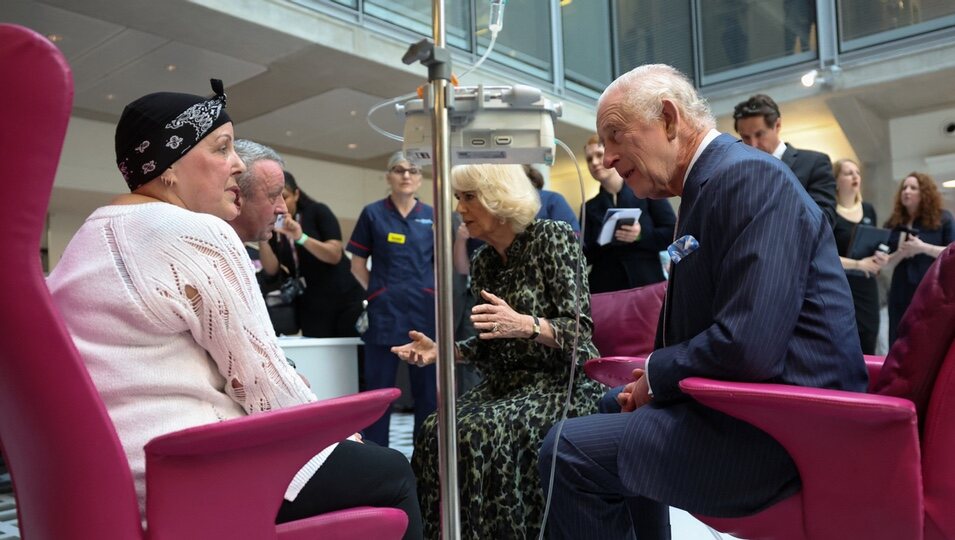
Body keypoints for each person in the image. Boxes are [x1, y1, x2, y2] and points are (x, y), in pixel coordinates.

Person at [45, 82, 422, 538]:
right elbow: (261, 379)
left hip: (107, 481)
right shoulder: (191, 230)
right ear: (169, 165)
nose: (238, 164)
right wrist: (336, 433)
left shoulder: (90, 234)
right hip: (190, 474)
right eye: (222, 148)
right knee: (392, 471)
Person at [538, 64, 867, 540]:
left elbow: (748, 344)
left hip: (787, 431)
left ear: (669, 120)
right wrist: (651, 381)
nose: (607, 158)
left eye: (614, 137)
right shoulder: (709, 185)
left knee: (568, 449)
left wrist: (656, 374)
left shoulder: (750, 178)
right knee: (614, 408)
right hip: (756, 408)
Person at [392, 163, 604, 539]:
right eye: (459, 198)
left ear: (498, 197)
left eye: (469, 197)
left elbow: (581, 332)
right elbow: (490, 346)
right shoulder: (483, 261)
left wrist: (526, 324)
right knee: (434, 429)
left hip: (560, 383)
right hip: (506, 385)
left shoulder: (552, 238)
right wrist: (443, 351)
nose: (459, 208)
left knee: (480, 432)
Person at [347, 151, 437, 447]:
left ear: (421, 179)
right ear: (388, 177)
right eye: (398, 170)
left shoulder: (432, 216)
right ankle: (376, 459)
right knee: (379, 391)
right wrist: (377, 291)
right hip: (384, 313)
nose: (406, 175)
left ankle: (426, 460)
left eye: (412, 170)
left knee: (426, 393)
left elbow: (441, 265)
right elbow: (357, 263)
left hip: (424, 311)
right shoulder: (373, 213)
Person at [260, 170, 365, 338]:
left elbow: (334, 255)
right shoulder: (274, 226)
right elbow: (271, 270)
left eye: (284, 197)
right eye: (272, 199)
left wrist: (300, 238)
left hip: (343, 297)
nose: (281, 205)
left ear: (296, 194)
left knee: (349, 353)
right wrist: (262, 234)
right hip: (310, 300)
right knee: (317, 352)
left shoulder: (317, 212)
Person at [582, 134, 676, 293]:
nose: (595, 163)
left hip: (646, 283)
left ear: (612, 156)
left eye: (599, 155)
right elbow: (585, 255)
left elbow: (672, 232)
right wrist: (604, 240)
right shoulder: (589, 207)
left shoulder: (647, 191)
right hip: (605, 287)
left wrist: (641, 234)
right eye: (589, 159)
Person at [733, 93, 837, 225]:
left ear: (777, 125)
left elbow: (824, 219)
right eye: (746, 137)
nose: (753, 144)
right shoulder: (738, 173)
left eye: (759, 134)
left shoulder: (814, 163)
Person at [883, 171, 955, 345]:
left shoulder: (943, 219)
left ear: (924, 193)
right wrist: (902, 252)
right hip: (900, 292)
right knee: (898, 341)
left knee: (927, 342)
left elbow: (952, 252)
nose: (906, 191)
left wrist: (922, 248)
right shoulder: (893, 224)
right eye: (904, 188)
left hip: (932, 290)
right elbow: (885, 265)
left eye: (913, 188)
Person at [832, 158, 887, 354]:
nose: (855, 176)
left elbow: (873, 246)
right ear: (836, 181)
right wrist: (858, 263)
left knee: (869, 340)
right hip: (842, 288)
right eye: (848, 173)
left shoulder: (869, 209)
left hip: (867, 286)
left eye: (857, 172)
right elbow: (825, 256)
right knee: (846, 344)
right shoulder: (830, 213)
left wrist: (880, 257)